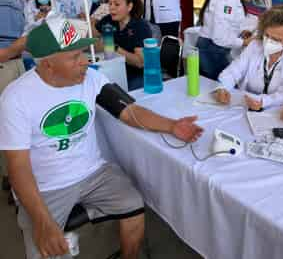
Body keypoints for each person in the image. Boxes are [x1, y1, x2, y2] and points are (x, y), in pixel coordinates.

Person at [0, 15, 203, 259]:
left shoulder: (91, 78)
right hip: (45, 187)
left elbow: (129, 111)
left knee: (134, 205)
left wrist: (172, 126)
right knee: (47, 247)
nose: (85, 61)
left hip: (93, 173)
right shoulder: (16, 98)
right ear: (47, 65)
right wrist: (42, 221)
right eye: (74, 57)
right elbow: (18, 167)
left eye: (83, 52)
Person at [215, 5, 283, 111]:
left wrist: (263, 102)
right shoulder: (255, 45)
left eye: (277, 39)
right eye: (267, 35)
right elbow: (234, 70)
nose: (268, 42)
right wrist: (223, 87)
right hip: (246, 105)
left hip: (279, 111)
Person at [0, 0, 30, 204]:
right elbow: (6, 49)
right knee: (13, 126)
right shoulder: (5, 3)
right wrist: (22, 44)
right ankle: (16, 183)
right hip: (6, 70)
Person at [197, 0, 253, 80]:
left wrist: (239, 32)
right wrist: (244, 42)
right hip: (213, 53)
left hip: (212, 51)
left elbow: (224, 24)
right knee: (219, 93)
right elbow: (220, 38)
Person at [94, 0, 151, 91]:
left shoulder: (140, 26)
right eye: (109, 3)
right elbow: (94, 37)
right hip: (112, 70)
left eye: (116, 4)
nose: (111, 8)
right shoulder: (108, 20)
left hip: (135, 76)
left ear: (129, 7)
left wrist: (114, 48)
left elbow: (140, 62)